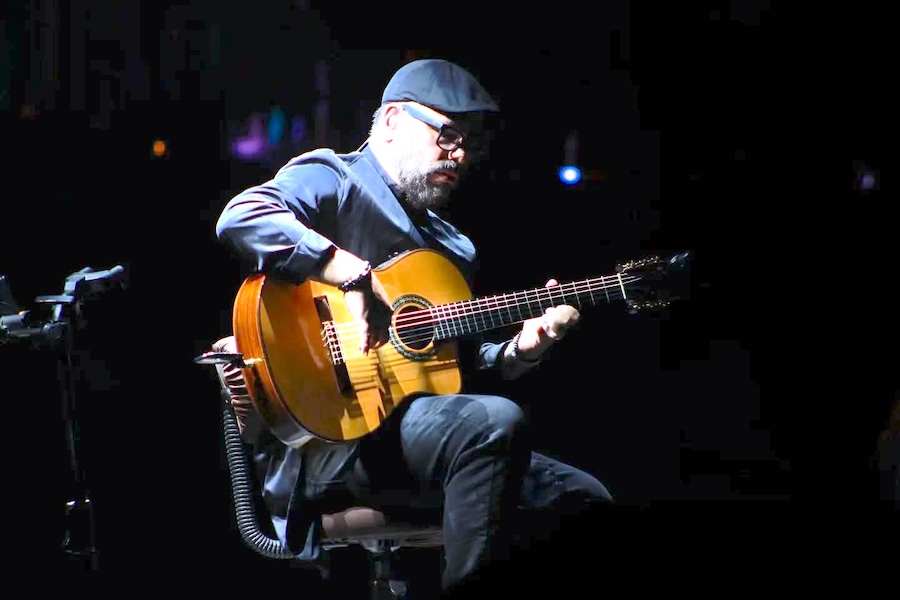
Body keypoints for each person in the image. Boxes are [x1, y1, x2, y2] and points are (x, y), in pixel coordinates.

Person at [213, 58, 613, 593]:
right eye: (447, 134)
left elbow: (455, 368)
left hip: (412, 435)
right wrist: (351, 274)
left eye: (471, 143)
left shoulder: (453, 248)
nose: (460, 154)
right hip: (330, 442)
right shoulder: (335, 178)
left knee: (584, 496)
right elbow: (243, 215)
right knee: (494, 422)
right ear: (393, 121)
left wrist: (521, 349)